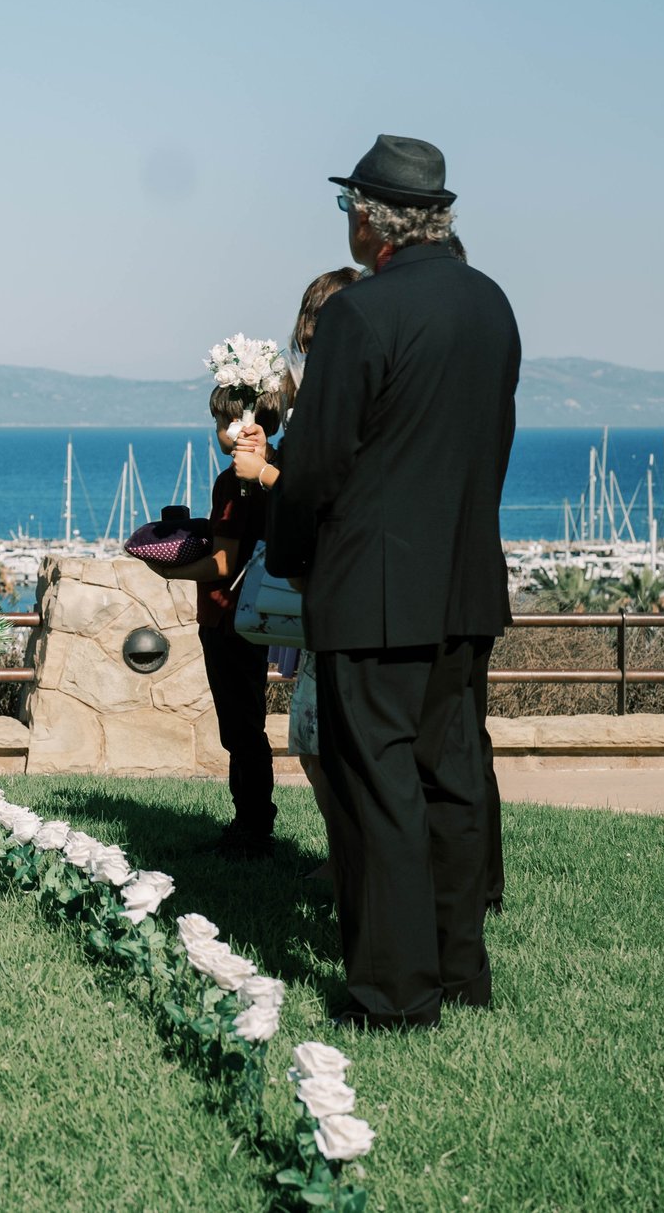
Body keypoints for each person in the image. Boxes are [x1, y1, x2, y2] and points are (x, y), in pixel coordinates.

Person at [266, 135, 520, 1029]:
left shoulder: (360, 317)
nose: (347, 221)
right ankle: (460, 974)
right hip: (465, 587)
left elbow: (317, 463)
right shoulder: (493, 307)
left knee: (380, 792)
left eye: (347, 207)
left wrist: (291, 555)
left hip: (372, 595)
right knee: (451, 778)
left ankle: (393, 993)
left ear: (374, 217)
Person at [233, 267, 361, 878]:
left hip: (337, 593)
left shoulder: (339, 402)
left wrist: (265, 475)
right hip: (331, 596)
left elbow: (324, 498)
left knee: (320, 741)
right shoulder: (341, 396)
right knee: (312, 741)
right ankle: (345, 855)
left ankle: (350, 859)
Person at [140, 385, 287, 857]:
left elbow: (223, 565)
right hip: (262, 612)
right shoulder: (278, 473)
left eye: (218, 422)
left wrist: (170, 569)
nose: (216, 432)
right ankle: (252, 822)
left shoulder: (233, 483)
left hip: (228, 615)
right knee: (249, 720)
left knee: (239, 728)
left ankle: (252, 827)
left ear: (239, 425)